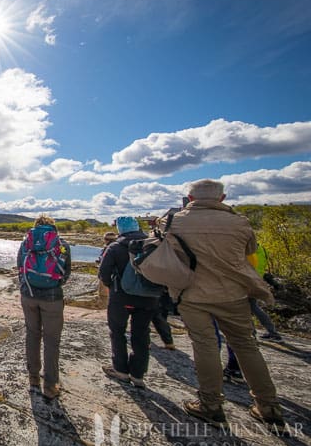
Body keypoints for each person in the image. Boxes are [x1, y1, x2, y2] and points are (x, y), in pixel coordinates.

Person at [166, 179, 284, 429]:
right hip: (234, 294)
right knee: (246, 346)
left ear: (189, 197)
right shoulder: (240, 222)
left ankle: (211, 405)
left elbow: (166, 254)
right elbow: (249, 252)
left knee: (205, 345)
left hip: (192, 293)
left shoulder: (175, 222)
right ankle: (268, 405)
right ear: (222, 198)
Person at [98, 216, 159, 389]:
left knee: (117, 332)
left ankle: (121, 370)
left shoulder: (115, 247)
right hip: (149, 297)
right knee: (142, 334)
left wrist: (113, 286)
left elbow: (104, 273)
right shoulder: (152, 244)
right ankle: (138, 375)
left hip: (121, 296)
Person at [17, 214, 72, 400]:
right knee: (51, 341)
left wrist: (27, 287)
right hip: (52, 297)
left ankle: (33, 378)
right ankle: (50, 386)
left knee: (32, 334)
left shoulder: (26, 243)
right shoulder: (61, 244)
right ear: (53, 227)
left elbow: (20, 268)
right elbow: (66, 274)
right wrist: (53, 285)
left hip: (29, 295)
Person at [96, 232, 117, 307]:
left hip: (106, 277)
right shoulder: (120, 248)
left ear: (106, 240)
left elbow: (105, 265)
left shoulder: (108, 249)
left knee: (104, 297)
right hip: (116, 278)